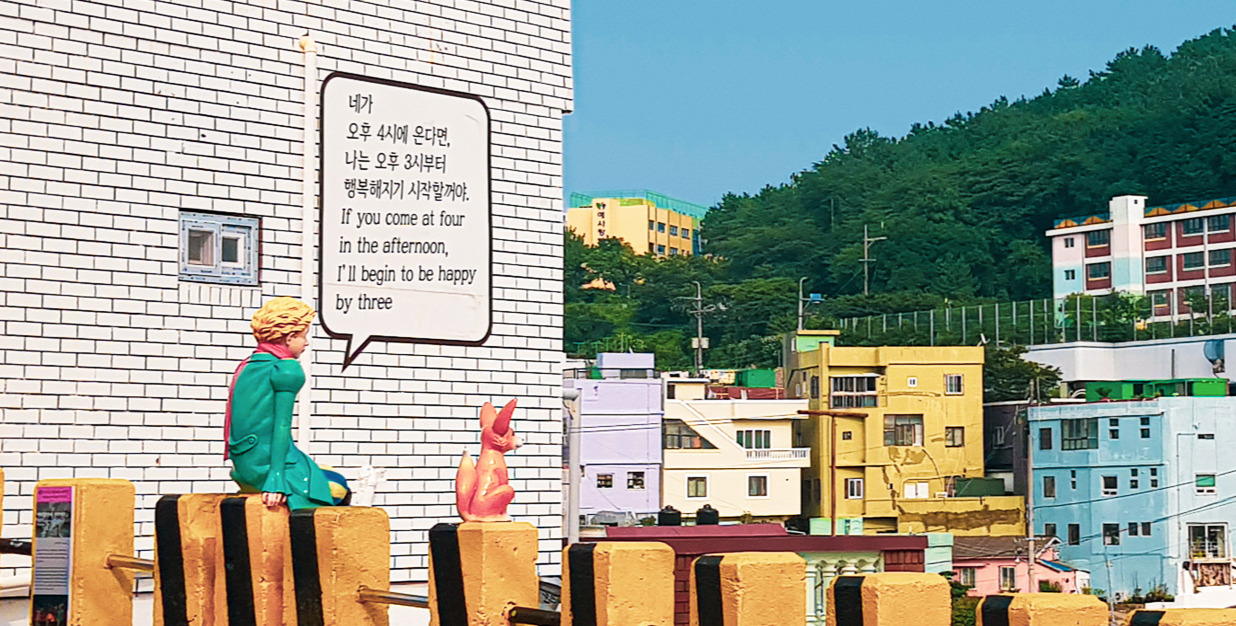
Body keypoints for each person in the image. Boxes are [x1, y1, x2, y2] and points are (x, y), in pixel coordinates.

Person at [225, 297, 348, 509]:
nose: (306, 343)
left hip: (243, 466)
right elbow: (281, 426)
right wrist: (276, 480)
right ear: (290, 338)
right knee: (336, 486)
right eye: (304, 336)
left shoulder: (247, 365)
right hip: (267, 466)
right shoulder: (286, 369)